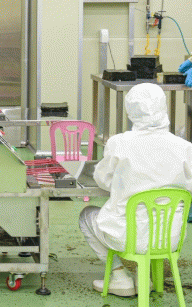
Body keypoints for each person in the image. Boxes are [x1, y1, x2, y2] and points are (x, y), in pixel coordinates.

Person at [79, 83, 192, 296]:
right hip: (169, 238)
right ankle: (144, 276)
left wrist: (126, 183)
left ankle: (120, 278)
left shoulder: (119, 143)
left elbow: (103, 179)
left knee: (86, 216)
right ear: (163, 107)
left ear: (130, 111)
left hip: (127, 237)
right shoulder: (184, 148)